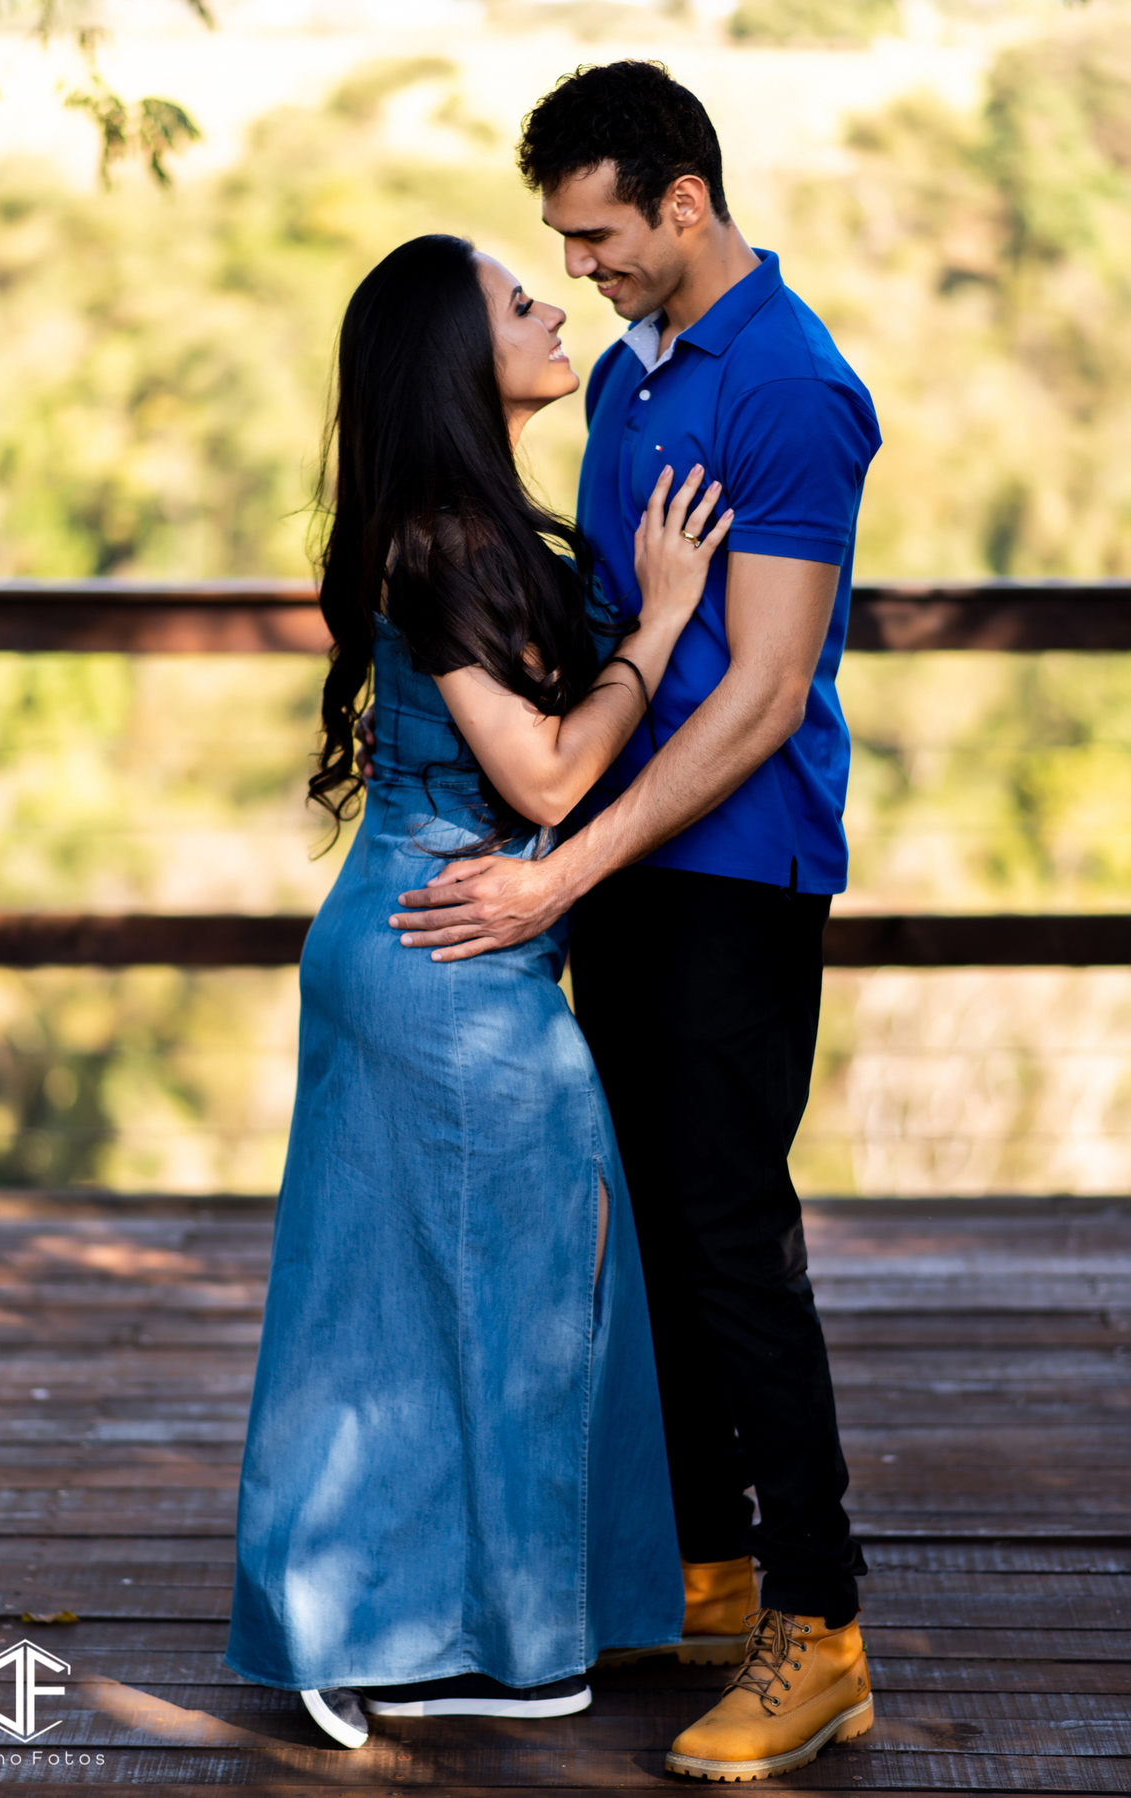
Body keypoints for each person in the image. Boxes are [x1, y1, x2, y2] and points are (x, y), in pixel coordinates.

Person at [388, 62, 882, 1782]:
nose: (579, 267)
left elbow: (760, 694)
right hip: (619, 866)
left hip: (732, 876)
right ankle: (711, 1562)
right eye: (559, 243)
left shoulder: (792, 385)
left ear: (685, 201)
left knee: (733, 1236)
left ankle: (820, 1625)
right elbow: (614, 634)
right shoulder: (627, 375)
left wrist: (562, 866)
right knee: (655, 1231)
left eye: (598, 235)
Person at [226, 232, 734, 1748]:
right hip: (440, 963)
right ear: (461, 358)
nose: (553, 303)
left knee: (462, 1294)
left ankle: (502, 1630)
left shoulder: (468, 522)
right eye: (521, 300)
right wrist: (662, 622)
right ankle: (391, 1628)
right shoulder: (443, 539)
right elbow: (549, 775)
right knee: (441, 1304)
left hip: (441, 950)